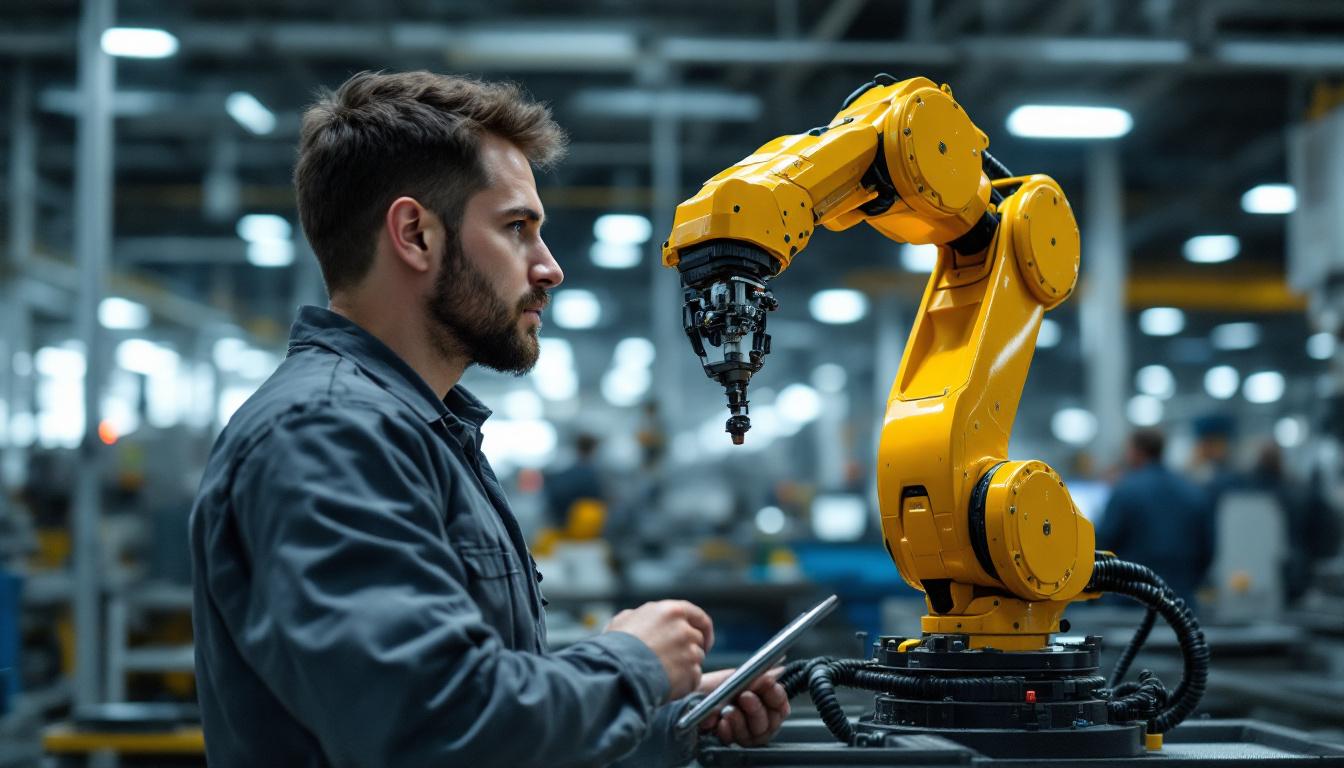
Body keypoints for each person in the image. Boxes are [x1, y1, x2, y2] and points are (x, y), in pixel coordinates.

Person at [189, 71, 788, 767]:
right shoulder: (327, 434)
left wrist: (663, 725)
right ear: (415, 234)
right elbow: (432, 726)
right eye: (517, 229)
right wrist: (631, 663)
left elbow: (477, 721)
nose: (550, 268)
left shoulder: (423, 432)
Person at [1096, 428, 1214, 607]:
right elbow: (1208, 549)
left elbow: (1104, 543)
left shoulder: (1125, 491)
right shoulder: (1193, 491)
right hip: (1180, 601)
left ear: (1135, 451)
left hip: (1129, 602)